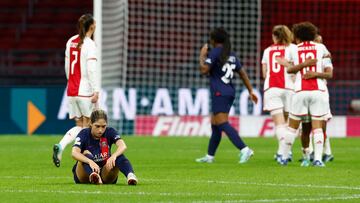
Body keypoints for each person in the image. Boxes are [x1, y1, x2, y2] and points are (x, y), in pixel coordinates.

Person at [196, 28, 258, 164]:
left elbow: (204, 70)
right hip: (229, 91)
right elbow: (242, 73)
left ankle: (245, 149)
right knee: (215, 124)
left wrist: (202, 56)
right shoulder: (231, 54)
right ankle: (210, 156)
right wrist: (251, 90)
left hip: (220, 92)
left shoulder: (215, 52)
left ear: (213, 40)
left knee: (222, 123)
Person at [277, 22, 332, 167]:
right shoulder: (321, 47)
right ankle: (318, 159)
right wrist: (316, 73)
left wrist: (303, 65)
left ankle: (284, 158)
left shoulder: (293, 49)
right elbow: (330, 73)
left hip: (300, 92)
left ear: (297, 36)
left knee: (292, 127)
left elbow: (290, 70)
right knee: (318, 127)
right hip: (318, 91)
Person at [53, 13, 100, 167]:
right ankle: (84, 161)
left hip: (72, 89)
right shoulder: (90, 44)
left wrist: (71, 83)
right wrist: (96, 90)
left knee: (80, 126)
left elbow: (67, 68)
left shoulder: (70, 41)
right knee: (88, 127)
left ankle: (61, 145)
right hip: (85, 90)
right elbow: (92, 69)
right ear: (92, 26)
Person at [261, 25, 297, 163]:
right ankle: (284, 152)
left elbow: (264, 74)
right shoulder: (292, 48)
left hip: (272, 89)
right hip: (290, 89)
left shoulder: (267, 51)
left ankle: (283, 154)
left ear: (274, 36)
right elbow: (296, 67)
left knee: (279, 125)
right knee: (288, 125)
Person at [71, 109, 137, 185]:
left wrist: (113, 156)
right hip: (84, 173)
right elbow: (74, 153)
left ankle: (130, 175)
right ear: (91, 123)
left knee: (118, 156)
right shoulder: (84, 133)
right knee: (85, 153)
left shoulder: (110, 132)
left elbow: (123, 146)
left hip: (104, 171)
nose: (100, 130)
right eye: (97, 126)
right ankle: (93, 175)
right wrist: (90, 161)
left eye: (103, 126)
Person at [297, 34, 334, 166]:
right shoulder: (303, 53)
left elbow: (329, 74)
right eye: (316, 40)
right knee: (305, 128)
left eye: (320, 41)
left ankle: (326, 153)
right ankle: (308, 154)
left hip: (321, 93)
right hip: (305, 93)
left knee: (321, 127)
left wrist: (316, 74)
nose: (318, 42)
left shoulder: (325, 56)